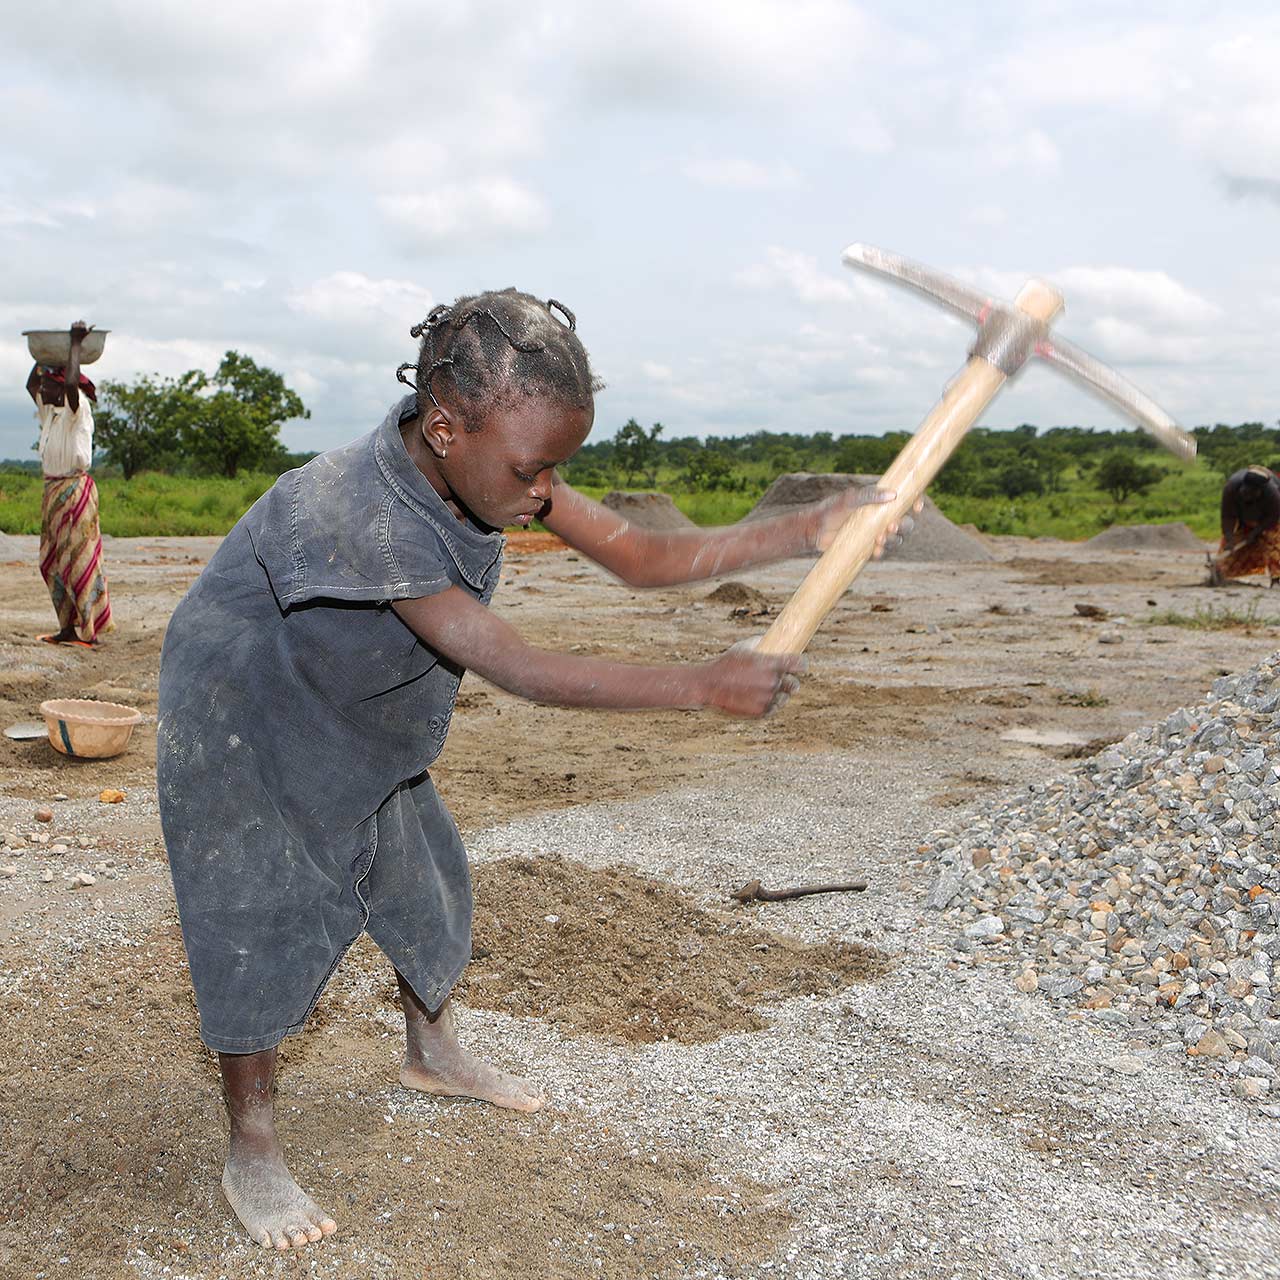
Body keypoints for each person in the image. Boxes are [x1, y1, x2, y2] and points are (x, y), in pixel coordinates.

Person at [156, 289, 906, 1251]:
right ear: (443, 424)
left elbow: (638, 554)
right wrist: (701, 686)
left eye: (556, 467)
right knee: (253, 912)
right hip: (240, 714)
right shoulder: (359, 512)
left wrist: (805, 530)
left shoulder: (492, 458)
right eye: (531, 469)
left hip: (347, 701)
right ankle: (251, 1146)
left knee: (421, 875)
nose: (543, 490)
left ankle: (431, 1052)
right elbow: (521, 669)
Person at [27, 320, 113, 645]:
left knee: (79, 560)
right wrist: (45, 356)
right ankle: (66, 628)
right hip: (53, 491)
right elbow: (29, 384)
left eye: (49, 383)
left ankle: (88, 633)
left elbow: (72, 382)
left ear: (62, 387)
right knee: (51, 563)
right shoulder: (49, 412)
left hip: (75, 491)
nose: (42, 387)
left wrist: (74, 346)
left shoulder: (76, 407)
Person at [1211, 465, 1280, 586]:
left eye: (1251, 493)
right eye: (1245, 492)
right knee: (1229, 552)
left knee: (1274, 545)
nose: (1246, 495)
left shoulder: (1273, 495)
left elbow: (1272, 518)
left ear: (1260, 491)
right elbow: (1227, 516)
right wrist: (1229, 539)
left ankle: (1276, 579)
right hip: (1245, 521)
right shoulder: (1231, 488)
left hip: (1269, 523)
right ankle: (1219, 574)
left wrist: (1256, 532)